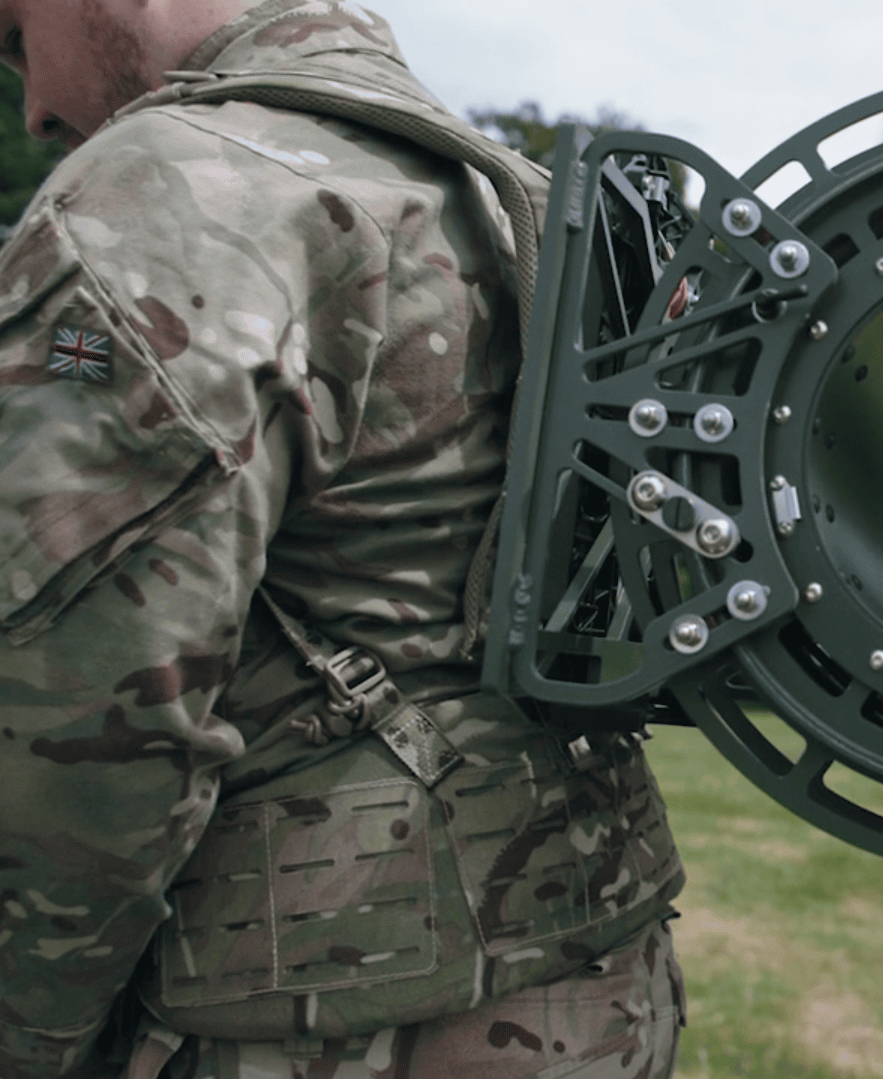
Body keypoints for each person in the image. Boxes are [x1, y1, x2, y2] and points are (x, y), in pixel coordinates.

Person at [0, 2, 686, 1077]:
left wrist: (25, 1033)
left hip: (315, 1023)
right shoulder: (526, 204)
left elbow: (79, 710)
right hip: (599, 977)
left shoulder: (166, 186)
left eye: (14, 35)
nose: (35, 107)